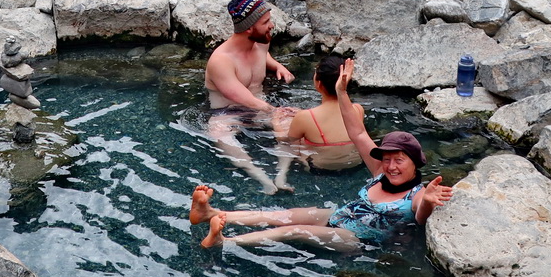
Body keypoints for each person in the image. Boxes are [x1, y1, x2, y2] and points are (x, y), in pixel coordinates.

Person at [191, 59, 454, 252]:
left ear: (415, 163)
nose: (391, 166)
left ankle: (225, 241)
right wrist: (341, 92)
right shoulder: (380, 173)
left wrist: (429, 201)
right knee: (285, 215)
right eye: (387, 158)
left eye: (399, 160)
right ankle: (210, 213)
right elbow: (358, 133)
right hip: (340, 216)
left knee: (293, 230)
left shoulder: (417, 194)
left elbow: (420, 214)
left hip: (357, 240)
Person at [203, 0, 298, 194]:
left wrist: (277, 66)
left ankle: (281, 175)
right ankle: (261, 177)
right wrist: (274, 111)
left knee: (296, 122)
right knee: (217, 129)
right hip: (229, 113)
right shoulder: (221, 60)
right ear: (248, 28)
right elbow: (241, 96)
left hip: (262, 106)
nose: (272, 25)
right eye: (265, 22)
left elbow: (263, 55)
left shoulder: (261, 42)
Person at [278, 54, 364, 173]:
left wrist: (275, 121)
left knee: (287, 132)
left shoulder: (304, 117)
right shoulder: (358, 109)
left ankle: (280, 176)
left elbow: (286, 141)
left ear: (319, 84)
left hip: (318, 168)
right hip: (355, 164)